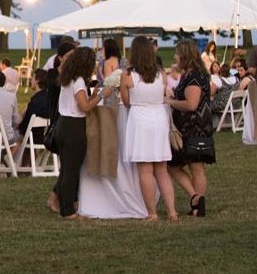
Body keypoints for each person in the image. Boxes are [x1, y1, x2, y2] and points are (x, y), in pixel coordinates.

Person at [120, 36, 177, 221]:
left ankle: (152, 213)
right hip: (158, 118)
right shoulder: (161, 73)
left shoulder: (128, 75)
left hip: (140, 119)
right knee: (161, 169)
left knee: (145, 170)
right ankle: (172, 212)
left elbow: (126, 101)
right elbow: (162, 94)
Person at [52, 47, 112, 219]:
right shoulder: (78, 81)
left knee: (66, 169)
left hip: (63, 125)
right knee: (71, 170)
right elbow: (84, 107)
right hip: (73, 127)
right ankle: (68, 211)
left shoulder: (67, 78)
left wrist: (93, 95)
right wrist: (101, 96)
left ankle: (66, 206)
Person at [166, 39, 214, 217]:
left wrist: (171, 101)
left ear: (184, 55)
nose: (175, 57)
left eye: (177, 53)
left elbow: (192, 104)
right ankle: (196, 199)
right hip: (189, 128)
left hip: (194, 128)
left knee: (195, 168)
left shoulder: (195, 77)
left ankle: (197, 205)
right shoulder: (190, 75)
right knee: (175, 166)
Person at [18, 69, 49, 144]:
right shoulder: (50, 99)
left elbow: (24, 126)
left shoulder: (35, 102)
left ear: (37, 81)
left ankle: (6, 155)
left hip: (33, 138)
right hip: (47, 137)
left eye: (32, 78)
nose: (31, 80)